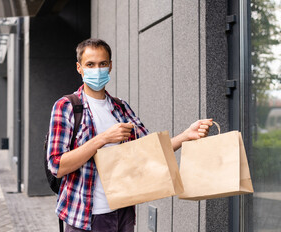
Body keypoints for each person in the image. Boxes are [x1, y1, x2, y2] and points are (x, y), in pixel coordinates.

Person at [47, 38, 212, 232]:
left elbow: (150, 150)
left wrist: (185, 135)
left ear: (110, 66)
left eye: (103, 64)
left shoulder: (121, 108)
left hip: (123, 212)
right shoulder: (67, 106)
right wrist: (103, 139)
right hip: (85, 217)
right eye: (90, 64)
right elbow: (57, 165)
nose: (97, 69)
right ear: (79, 68)